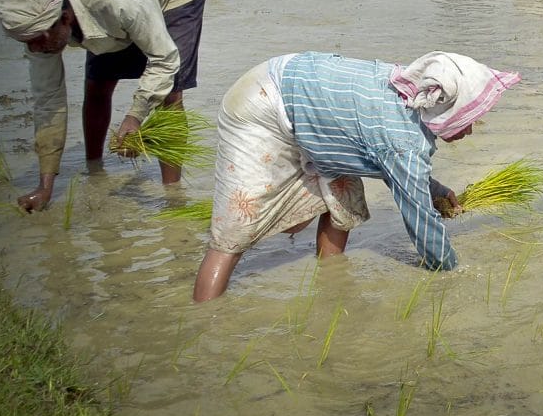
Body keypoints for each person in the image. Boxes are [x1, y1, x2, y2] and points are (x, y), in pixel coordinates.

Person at [193, 50, 520, 302]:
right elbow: (420, 222)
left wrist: (434, 189)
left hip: (303, 99)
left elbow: (395, 165)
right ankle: (205, 320)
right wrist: (450, 270)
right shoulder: (402, 138)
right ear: (445, 110)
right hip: (261, 102)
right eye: (469, 118)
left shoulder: (410, 98)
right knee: (235, 228)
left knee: (343, 196)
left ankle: (330, 286)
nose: (472, 128)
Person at [0, 0, 207, 211]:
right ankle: (94, 171)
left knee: (170, 94)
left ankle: (172, 194)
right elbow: (48, 102)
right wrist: (45, 186)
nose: (33, 49)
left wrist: (134, 117)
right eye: (26, 42)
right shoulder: (37, 22)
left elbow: (164, 58)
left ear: (65, 19)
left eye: (37, 41)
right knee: (97, 85)